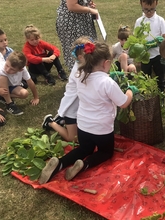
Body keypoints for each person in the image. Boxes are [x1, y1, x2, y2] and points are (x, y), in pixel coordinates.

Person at [38, 42, 138, 184]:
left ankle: (60, 163)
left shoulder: (81, 75)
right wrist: (130, 92)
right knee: (106, 152)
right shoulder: (107, 82)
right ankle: (84, 165)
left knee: (84, 149)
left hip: (83, 126)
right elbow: (123, 103)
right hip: (102, 129)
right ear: (106, 63)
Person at [41, 36, 93, 142]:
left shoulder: (85, 64)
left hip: (81, 108)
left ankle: (62, 120)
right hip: (72, 108)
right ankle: (50, 122)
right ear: (80, 57)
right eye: (89, 54)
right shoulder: (79, 72)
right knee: (74, 139)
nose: (93, 56)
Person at [0, 51, 39, 115]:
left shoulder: (23, 69)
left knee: (24, 94)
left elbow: (30, 82)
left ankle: (0, 96)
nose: (7, 70)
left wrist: (36, 97)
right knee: (3, 76)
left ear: (20, 70)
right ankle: (9, 104)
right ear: (6, 60)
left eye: (12, 69)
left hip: (9, 86)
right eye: (7, 65)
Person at [134, 0, 165, 92]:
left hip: (158, 55)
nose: (149, 12)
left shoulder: (160, 20)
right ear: (141, 4)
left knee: (160, 78)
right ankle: (148, 97)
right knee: (145, 78)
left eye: (152, 9)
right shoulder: (139, 21)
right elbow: (136, 38)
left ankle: (161, 95)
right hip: (145, 56)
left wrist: (160, 41)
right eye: (146, 10)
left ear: (156, 4)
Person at [56, 0, 98, 71]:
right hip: (72, 23)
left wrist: (87, 5)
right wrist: (89, 10)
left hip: (82, 22)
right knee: (78, 52)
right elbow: (72, 6)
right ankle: (78, 77)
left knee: (89, 49)